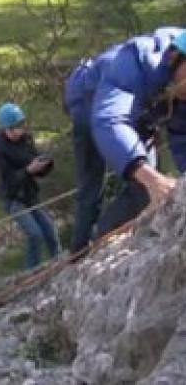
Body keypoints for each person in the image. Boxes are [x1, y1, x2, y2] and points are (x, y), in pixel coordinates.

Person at [64, 27, 186, 254]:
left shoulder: (179, 88)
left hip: (138, 115)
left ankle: (103, 237)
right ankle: (80, 250)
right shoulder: (135, 61)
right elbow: (109, 121)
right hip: (90, 108)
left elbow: (182, 135)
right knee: (91, 185)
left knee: (142, 188)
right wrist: (152, 179)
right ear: (175, 57)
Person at [0, 102, 61, 270]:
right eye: (16, 127)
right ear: (6, 129)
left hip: (29, 193)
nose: (20, 129)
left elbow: (34, 163)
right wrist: (28, 171)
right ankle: (33, 273)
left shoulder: (26, 140)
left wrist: (45, 165)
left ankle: (59, 263)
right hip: (13, 199)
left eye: (21, 124)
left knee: (50, 230)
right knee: (35, 234)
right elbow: (6, 182)